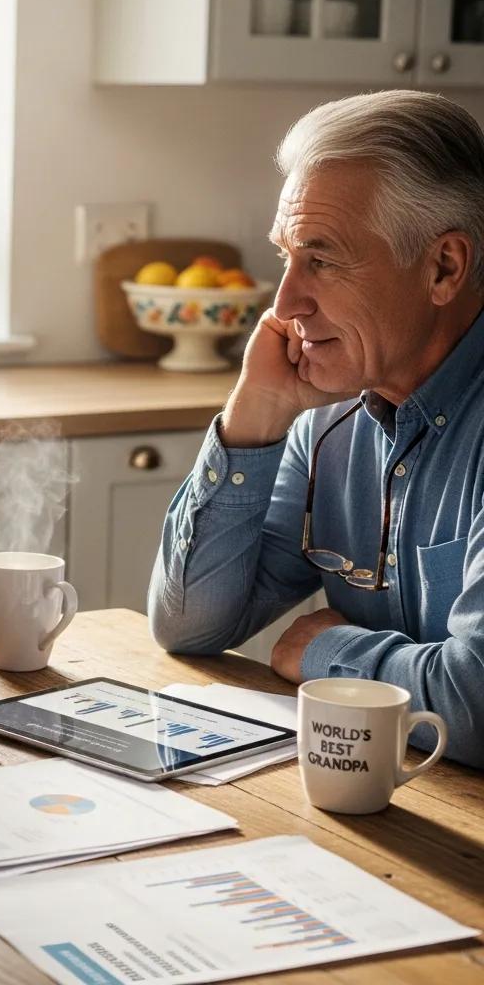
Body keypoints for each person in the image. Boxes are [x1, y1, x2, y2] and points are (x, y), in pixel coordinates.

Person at [148, 89, 484, 769]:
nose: (285, 302)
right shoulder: (330, 415)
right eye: (286, 256)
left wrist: (328, 652)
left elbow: (476, 706)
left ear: (443, 267)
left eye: (323, 260)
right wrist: (256, 418)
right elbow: (190, 624)